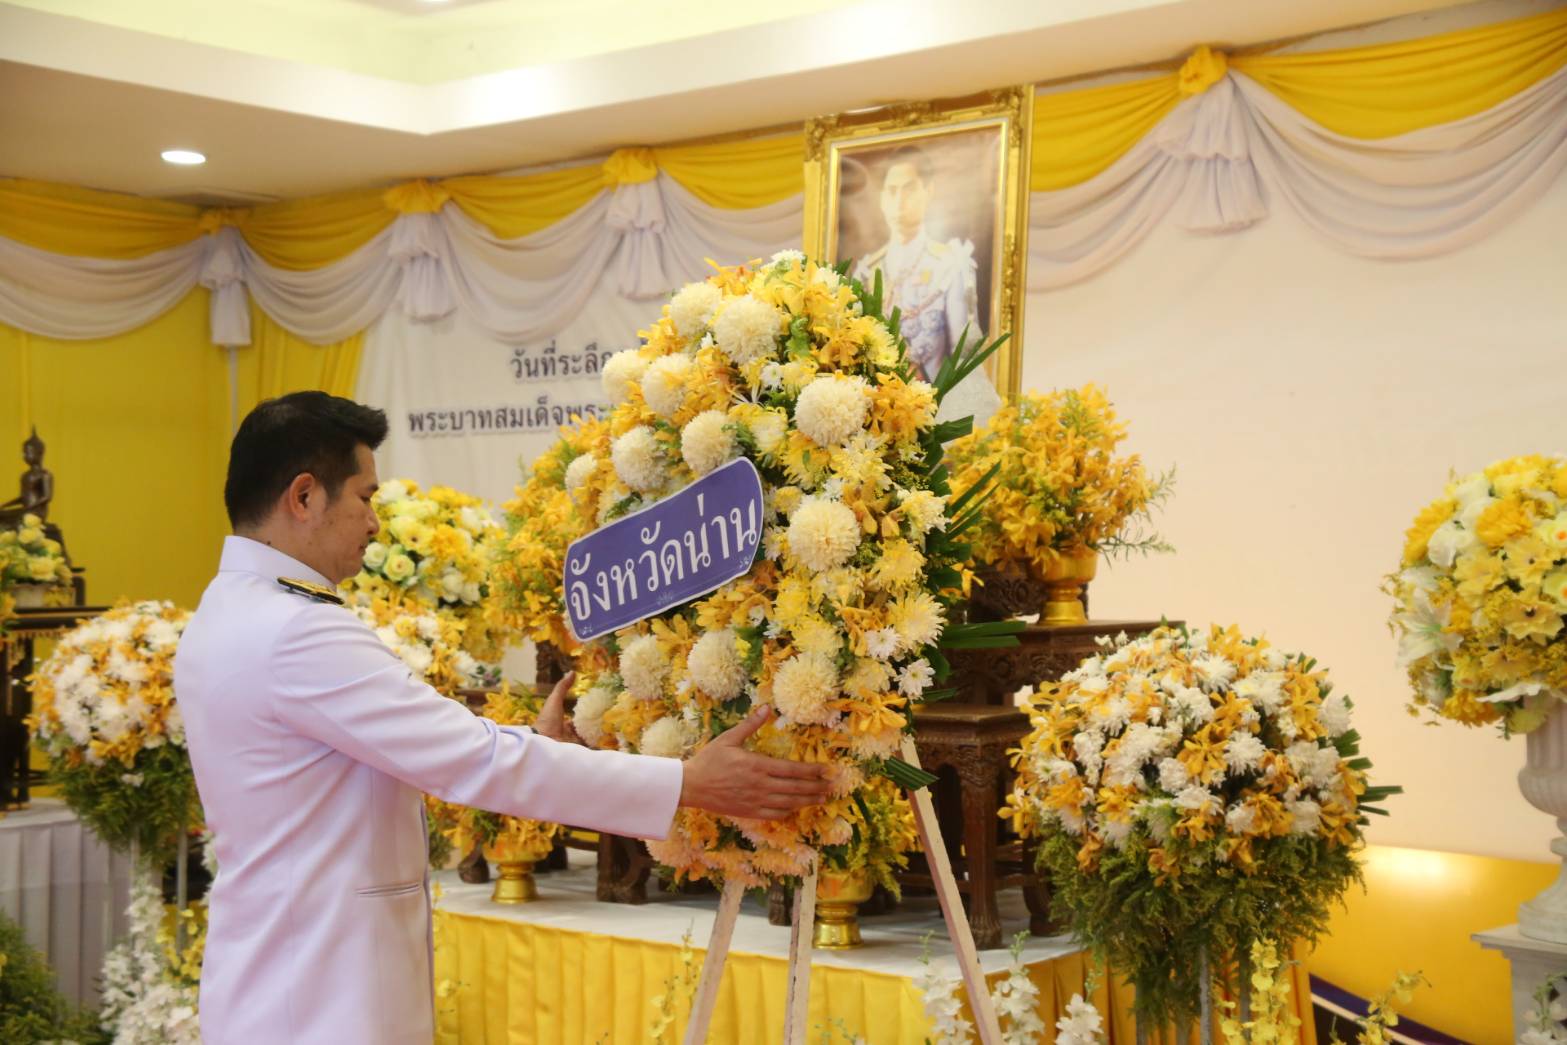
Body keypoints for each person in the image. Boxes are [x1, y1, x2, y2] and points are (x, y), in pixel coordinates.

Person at [174, 391, 830, 1044]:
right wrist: (685, 782)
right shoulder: (296, 630)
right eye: (365, 497)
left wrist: (533, 741)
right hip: (318, 999)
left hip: (284, 980)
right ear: (304, 496)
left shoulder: (230, 609)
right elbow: (470, 761)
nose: (373, 524)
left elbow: (388, 759)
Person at [851, 144, 982, 382]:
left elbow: (964, 355)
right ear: (882, 198)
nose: (899, 200)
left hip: (935, 400)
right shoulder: (866, 272)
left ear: (929, 191)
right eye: (891, 191)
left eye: (909, 189)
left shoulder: (950, 266)